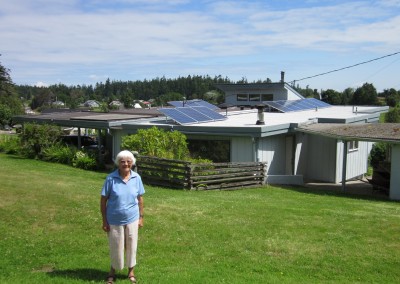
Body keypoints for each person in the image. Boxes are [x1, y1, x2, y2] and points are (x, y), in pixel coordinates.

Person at [100, 150, 145, 284]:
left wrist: (141, 218)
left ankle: (131, 272)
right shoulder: (110, 178)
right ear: (118, 164)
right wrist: (104, 220)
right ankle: (112, 272)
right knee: (116, 246)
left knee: (132, 245)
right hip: (114, 219)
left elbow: (140, 199)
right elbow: (103, 200)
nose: (125, 164)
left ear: (132, 163)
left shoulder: (136, 178)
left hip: (132, 218)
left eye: (128, 161)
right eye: (122, 161)